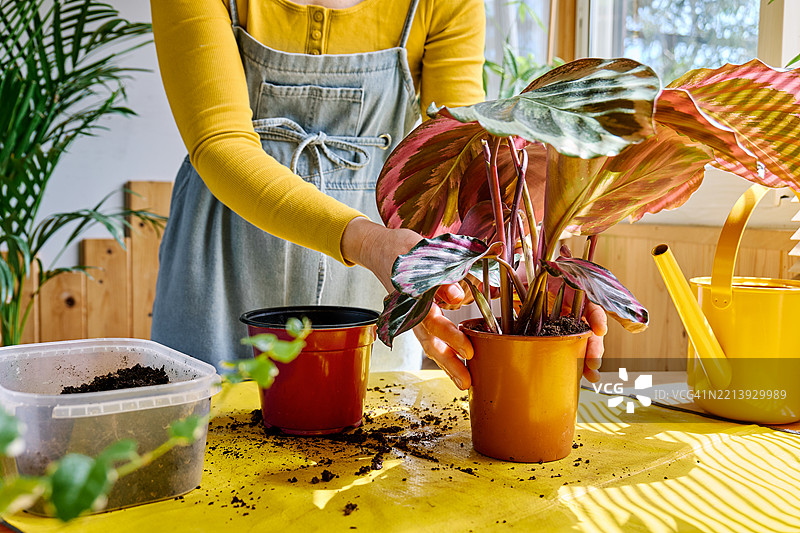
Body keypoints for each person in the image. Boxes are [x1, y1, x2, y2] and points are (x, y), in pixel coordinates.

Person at [149, 0, 606, 390]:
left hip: (380, 273)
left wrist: (533, 261)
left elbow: (462, 148)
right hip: (226, 260)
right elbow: (220, 144)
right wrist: (367, 242)